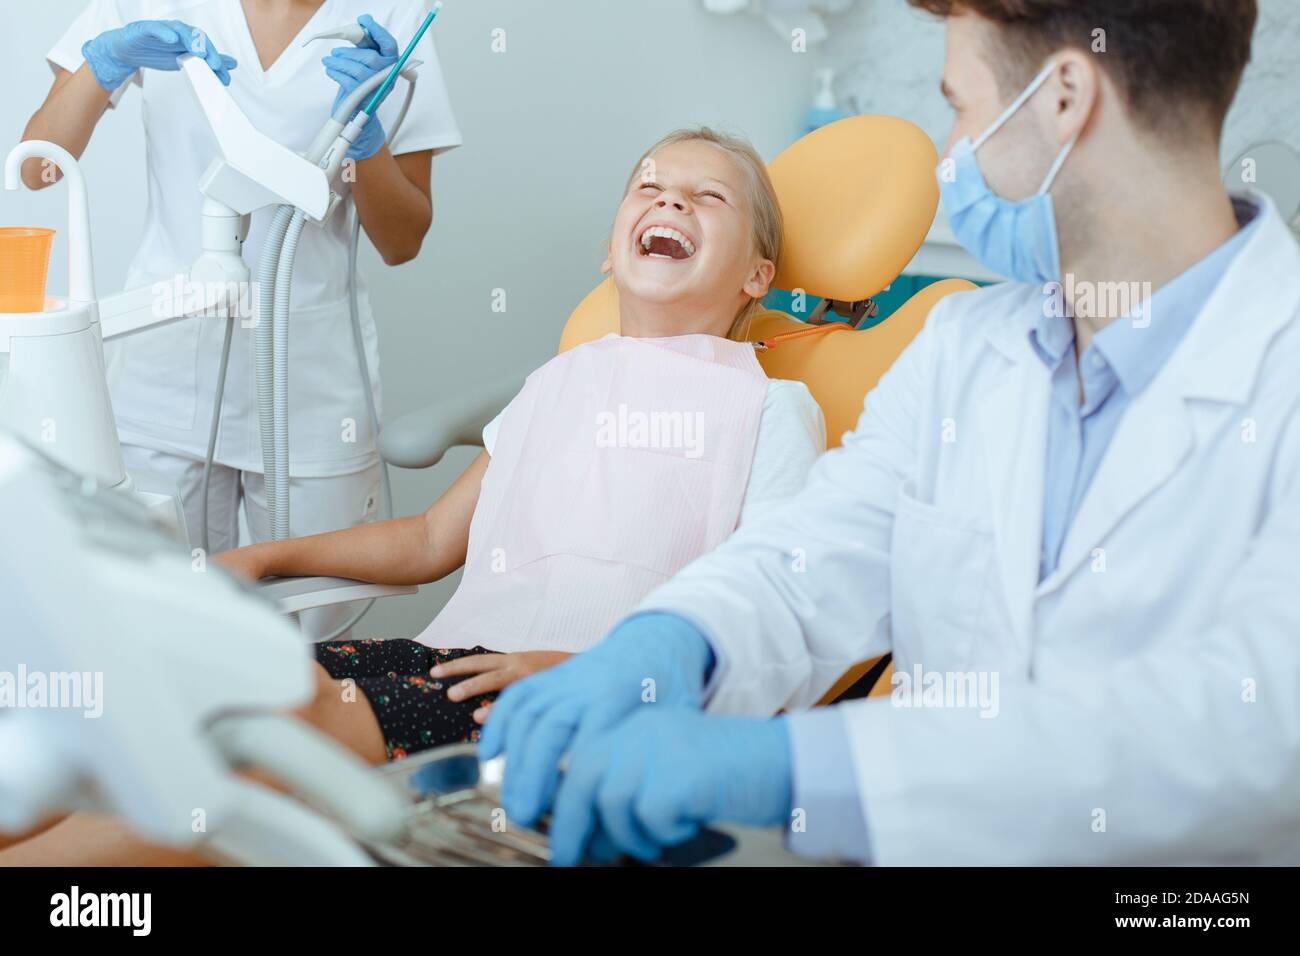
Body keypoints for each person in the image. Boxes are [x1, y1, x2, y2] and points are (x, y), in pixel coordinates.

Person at [482, 0, 1300, 866]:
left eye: (962, 106)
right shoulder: (967, 347)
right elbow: (816, 553)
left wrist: (798, 771)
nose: (952, 156)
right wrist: (676, 639)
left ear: (1066, 97)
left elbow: (1253, 725)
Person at [0, 127, 824, 864]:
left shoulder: (768, 409)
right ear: (611, 253)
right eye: (648, 184)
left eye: (707, 195)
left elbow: (771, 625)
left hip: (568, 705)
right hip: (450, 660)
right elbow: (431, 541)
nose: (669, 195)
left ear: (758, 273)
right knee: (191, 688)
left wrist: (595, 672)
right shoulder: (557, 382)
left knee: (277, 739)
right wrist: (263, 557)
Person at [21, 1, 460, 637]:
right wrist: (105, 61)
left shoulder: (390, 14)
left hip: (312, 381)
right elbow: (36, 168)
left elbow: (402, 240)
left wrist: (369, 143)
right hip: (163, 369)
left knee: (312, 633)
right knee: (153, 621)